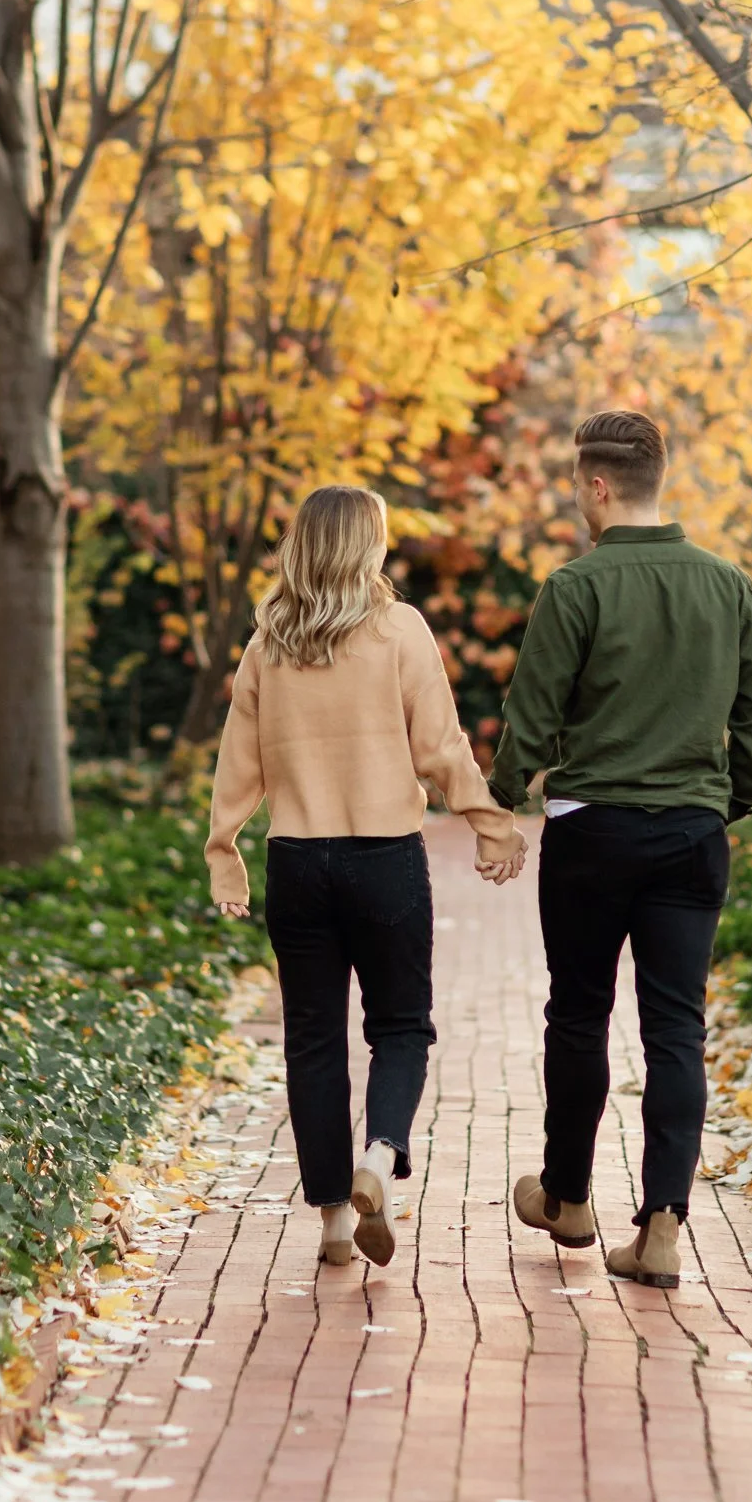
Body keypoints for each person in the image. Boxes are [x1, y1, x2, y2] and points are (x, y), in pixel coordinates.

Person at [489, 409, 752, 1291]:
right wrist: (724, 803)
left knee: (578, 1014)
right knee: (675, 1029)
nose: (577, 500)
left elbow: (529, 720)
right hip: (690, 837)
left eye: (579, 486)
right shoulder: (729, 586)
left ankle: (568, 1198)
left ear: (599, 486)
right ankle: (661, 1225)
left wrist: (500, 800)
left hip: (592, 832)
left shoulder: (575, 587)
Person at [208, 484, 526, 1270]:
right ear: (366, 548)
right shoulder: (399, 631)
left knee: (313, 1040)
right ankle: (377, 1162)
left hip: (297, 862)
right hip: (383, 858)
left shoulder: (267, 645)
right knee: (399, 1027)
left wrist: (225, 853)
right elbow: (442, 747)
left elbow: (236, 766)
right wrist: (490, 824)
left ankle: (330, 1226)